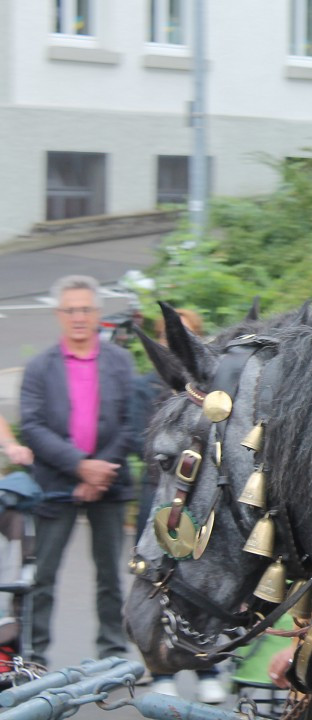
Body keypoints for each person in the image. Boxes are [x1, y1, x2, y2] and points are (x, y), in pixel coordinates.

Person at [18, 275, 135, 666]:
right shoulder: (39, 367)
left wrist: (100, 473)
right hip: (55, 485)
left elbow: (131, 421)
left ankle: (112, 653)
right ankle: (35, 655)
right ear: (59, 315)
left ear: (97, 314)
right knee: (44, 577)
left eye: (86, 308)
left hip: (110, 486)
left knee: (109, 577)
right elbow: (32, 427)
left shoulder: (120, 361)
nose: (79, 316)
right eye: (71, 310)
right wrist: (80, 467)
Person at [127, 309, 228, 703]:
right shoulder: (146, 387)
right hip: (160, 495)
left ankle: (208, 666)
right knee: (154, 579)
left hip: (197, 503)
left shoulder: (213, 385)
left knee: (204, 582)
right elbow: (147, 443)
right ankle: (160, 671)